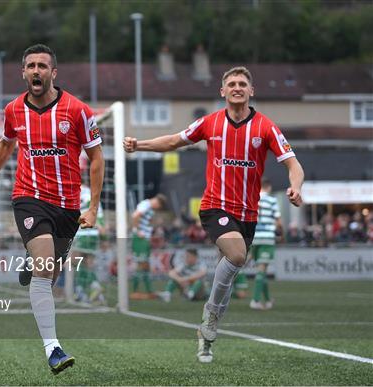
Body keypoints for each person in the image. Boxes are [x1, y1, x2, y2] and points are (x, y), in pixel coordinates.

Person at [123, 66, 304, 363]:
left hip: (248, 214)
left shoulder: (265, 127)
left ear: (251, 91)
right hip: (215, 207)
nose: (237, 87)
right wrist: (138, 145)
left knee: (229, 273)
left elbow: (294, 164)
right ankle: (209, 316)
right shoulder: (210, 123)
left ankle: (208, 333)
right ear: (222, 91)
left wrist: (295, 187)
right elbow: (173, 141)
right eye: (231, 83)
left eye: (242, 83)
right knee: (236, 256)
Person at [0, 44, 104, 375]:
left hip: (68, 207)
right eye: (31, 66)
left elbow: (97, 158)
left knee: (48, 274)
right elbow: (5, 144)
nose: (37, 70)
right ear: (23, 72)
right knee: (45, 270)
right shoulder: (14, 110)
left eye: (43, 65)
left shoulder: (78, 111)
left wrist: (93, 207)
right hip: (28, 197)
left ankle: (34, 262)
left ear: (53, 73)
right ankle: (53, 349)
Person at [249, 178, 281, 310]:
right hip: (267, 237)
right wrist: (281, 233)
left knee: (261, 270)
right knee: (262, 270)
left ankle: (267, 300)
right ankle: (255, 301)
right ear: (268, 187)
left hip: (254, 238)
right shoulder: (272, 200)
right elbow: (278, 221)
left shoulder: (252, 198)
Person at [130, 194, 166, 298]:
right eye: (158, 207)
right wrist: (138, 231)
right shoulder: (145, 204)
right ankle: (135, 290)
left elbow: (143, 220)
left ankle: (149, 290)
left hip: (144, 238)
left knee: (145, 264)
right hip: (140, 239)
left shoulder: (148, 207)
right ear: (157, 202)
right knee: (141, 263)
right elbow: (135, 215)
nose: (157, 209)